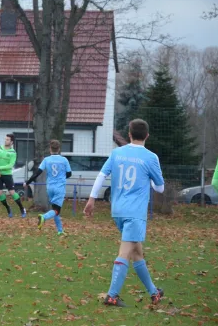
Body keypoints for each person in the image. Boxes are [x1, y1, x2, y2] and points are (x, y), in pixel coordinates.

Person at [84, 119, 165, 307]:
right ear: (147, 136)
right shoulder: (150, 157)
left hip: (118, 210)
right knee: (125, 252)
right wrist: (150, 180)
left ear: (129, 134)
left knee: (137, 253)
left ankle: (154, 292)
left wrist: (92, 199)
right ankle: (112, 296)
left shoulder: (116, 153)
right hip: (135, 213)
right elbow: (160, 188)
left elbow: (102, 175)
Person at [24, 140, 72, 235]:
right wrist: (61, 177)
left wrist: (28, 182)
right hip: (59, 188)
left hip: (50, 187)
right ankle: (44, 217)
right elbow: (69, 173)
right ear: (59, 149)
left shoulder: (46, 160)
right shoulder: (64, 160)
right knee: (56, 210)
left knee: (55, 209)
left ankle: (60, 231)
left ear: (50, 149)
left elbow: (37, 173)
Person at [0, 134, 26, 218]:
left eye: (7, 140)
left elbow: (10, 165)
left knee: (12, 192)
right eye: (5, 139)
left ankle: (22, 208)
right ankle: (8, 208)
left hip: (7, 174)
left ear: (11, 142)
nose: (5, 141)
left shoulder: (13, 153)